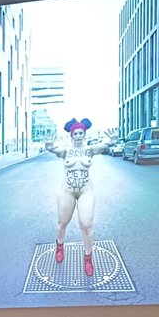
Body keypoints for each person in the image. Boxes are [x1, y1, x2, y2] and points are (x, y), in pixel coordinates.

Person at [46, 118, 110, 277]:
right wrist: (48, 145)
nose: (79, 135)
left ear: (85, 133)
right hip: (67, 190)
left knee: (87, 225)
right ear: (71, 135)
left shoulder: (89, 149)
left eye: (81, 133)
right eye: (76, 133)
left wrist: (112, 140)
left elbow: (103, 146)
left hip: (86, 190)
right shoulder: (65, 150)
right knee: (62, 223)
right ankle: (59, 247)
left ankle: (88, 259)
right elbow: (53, 150)